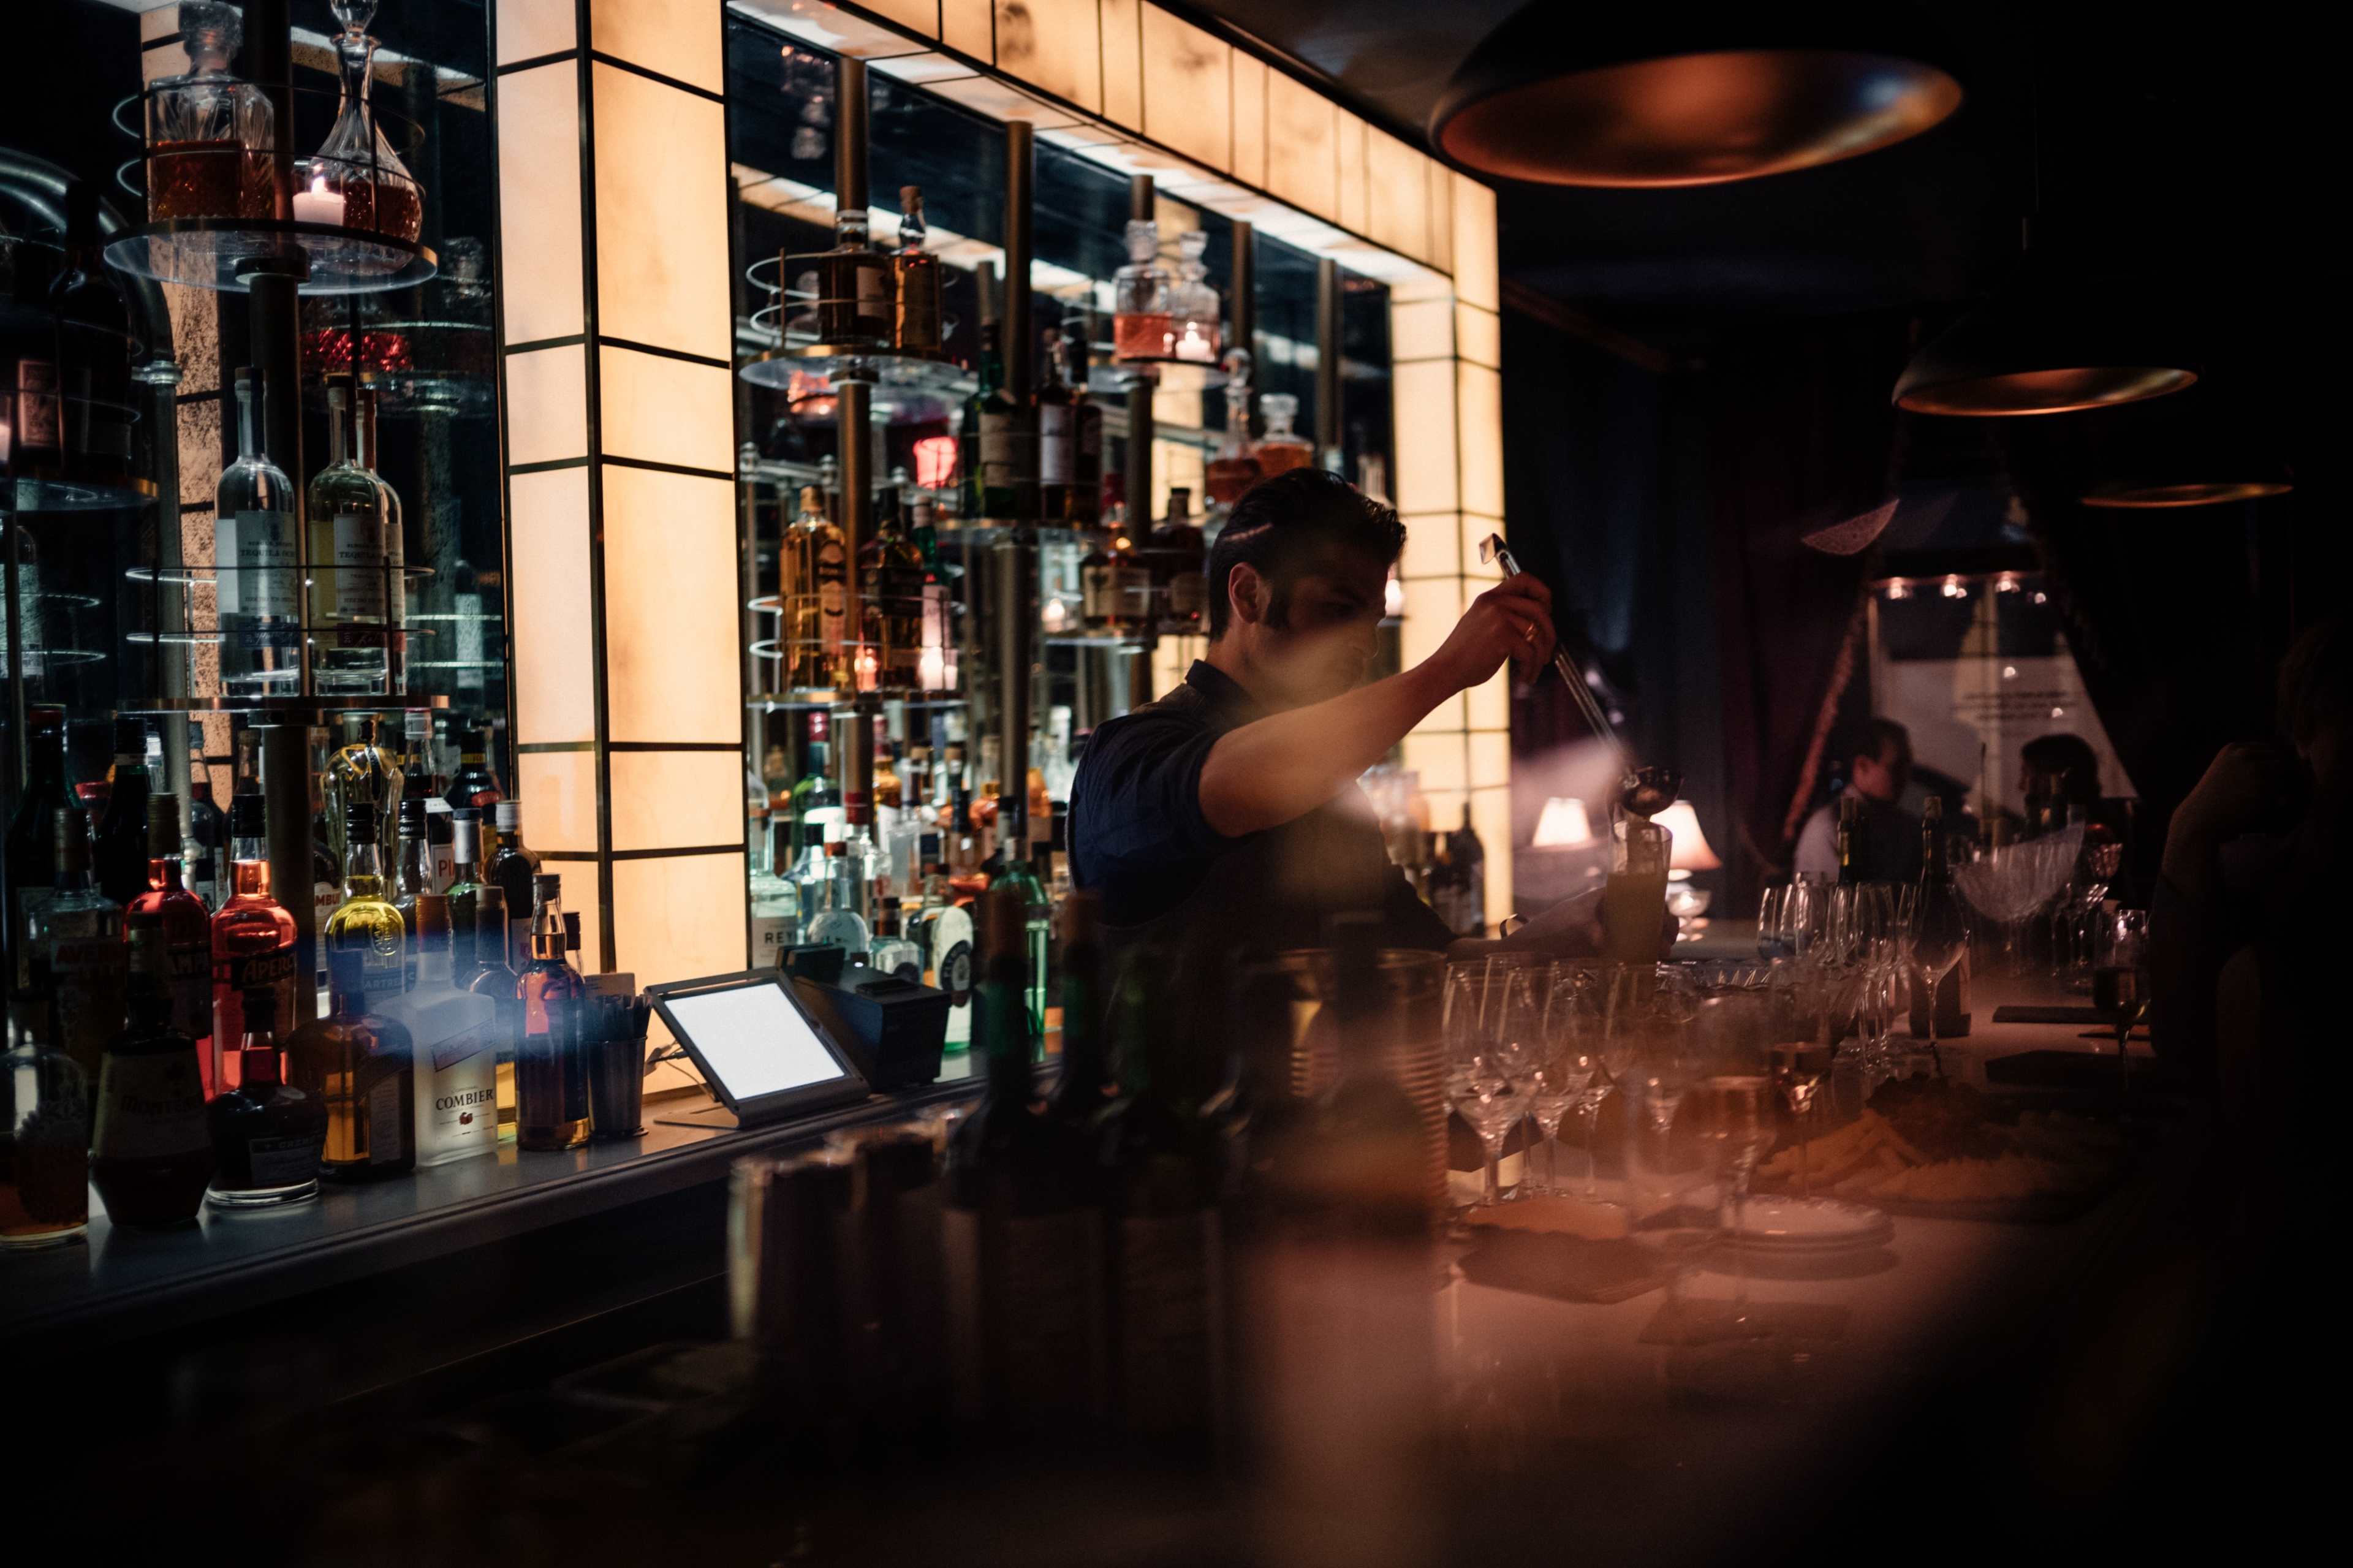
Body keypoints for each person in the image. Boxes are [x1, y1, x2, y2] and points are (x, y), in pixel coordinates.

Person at [1069, 469, 1661, 972]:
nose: (1363, 647)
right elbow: (1234, 783)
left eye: (1371, 621)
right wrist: (1447, 668)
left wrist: (1569, 935)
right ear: (1248, 595)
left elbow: (1430, 959)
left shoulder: (1335, 793)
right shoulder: (1129, 754)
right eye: (1337, 610)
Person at [1792, 718, 1922, 883]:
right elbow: (1832, 903)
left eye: (1907, 767)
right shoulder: (1828, 827)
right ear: (1863, 766)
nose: (1905, 777)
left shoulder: (1905, 826)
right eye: (1896, 768)